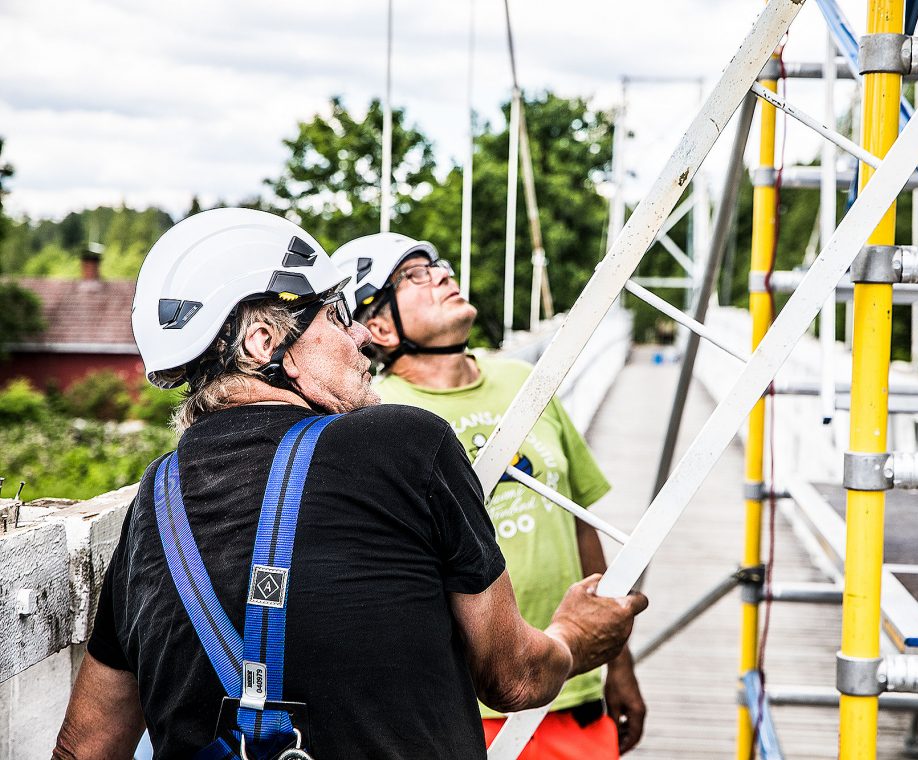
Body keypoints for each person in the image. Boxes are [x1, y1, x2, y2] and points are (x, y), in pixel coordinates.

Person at [53, 209, 646, 760]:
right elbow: (514, 676)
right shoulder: (405, 442)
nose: (359, 336)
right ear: (266, 342)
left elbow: (86, 746)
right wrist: (574, 634)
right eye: (335, 316)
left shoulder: (157, 501)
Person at [331, 232, 646, 758]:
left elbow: (578, 520)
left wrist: (620, 664)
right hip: (468, 710)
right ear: (378, 327)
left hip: (576, 684)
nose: (441, 275)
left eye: (438, 266)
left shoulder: (528, 381)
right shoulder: (376, 422)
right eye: (412, 275)